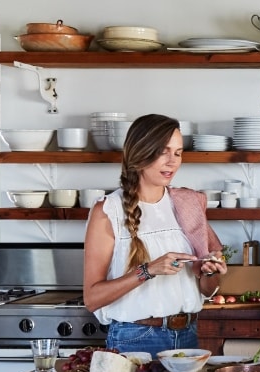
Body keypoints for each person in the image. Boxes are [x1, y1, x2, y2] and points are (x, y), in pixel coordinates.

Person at [83, 114, 228, 354]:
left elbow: (206, 289)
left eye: (178, 152)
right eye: (163, 151)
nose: (173, 162)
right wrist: (148, 270)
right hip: (136, 338)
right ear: (140, 153)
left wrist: (211, 272)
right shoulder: (108, 210)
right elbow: (92, 298)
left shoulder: (188, 204)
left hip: (188, 334)